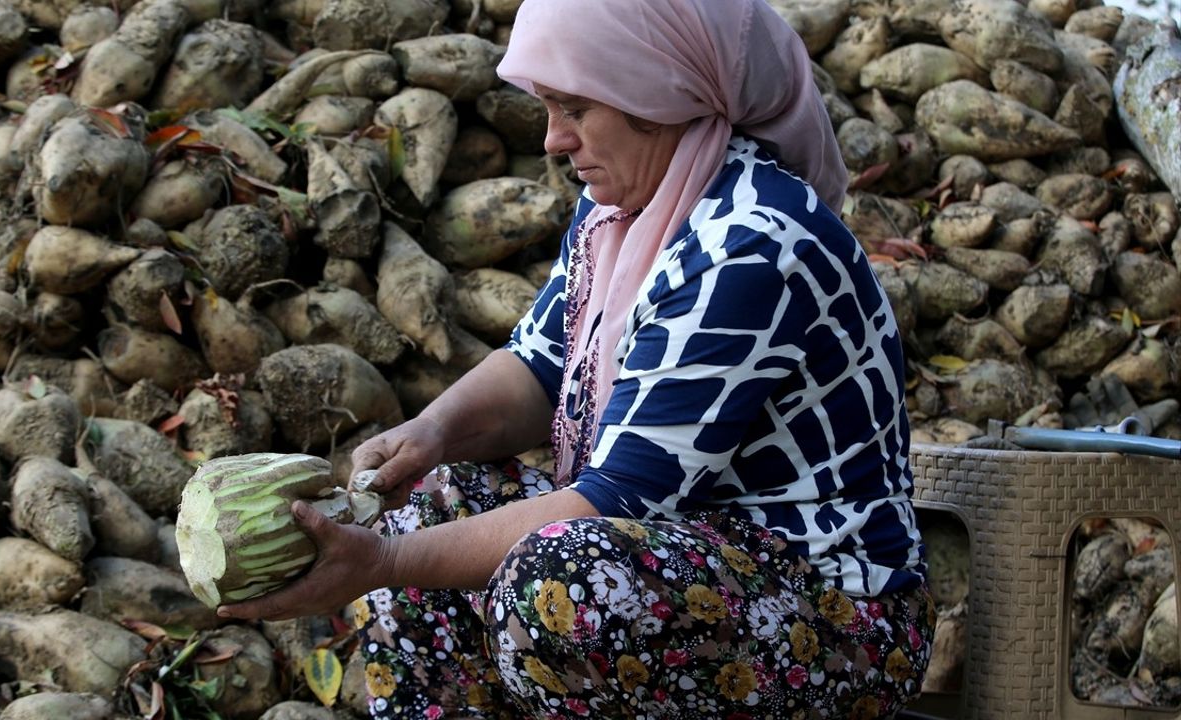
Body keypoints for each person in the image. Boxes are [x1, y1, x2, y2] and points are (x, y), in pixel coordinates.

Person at [219, 0, 934, 717]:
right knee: (423, 505)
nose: (555, 141)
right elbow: (538, 366)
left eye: (575, 110)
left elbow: (620, 497)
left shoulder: (750, 243)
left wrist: (380, 566)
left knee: (559, 576)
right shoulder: (621, 213)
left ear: (662, 96)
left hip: (835, 616)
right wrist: (431, 434)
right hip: (694, 562)